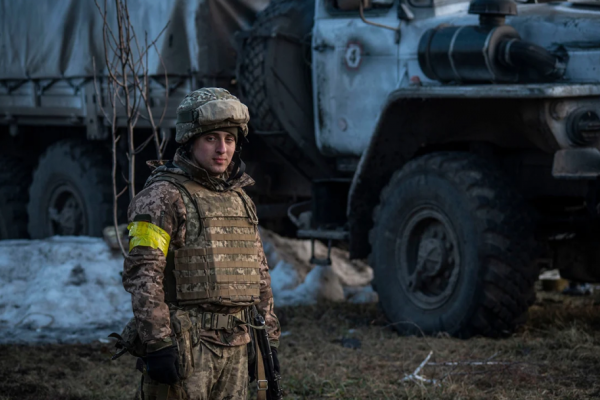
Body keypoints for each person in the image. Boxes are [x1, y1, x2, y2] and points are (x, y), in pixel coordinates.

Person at [122, 87, 281, 400]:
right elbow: (143, 274)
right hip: (186, 346)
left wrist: (269, 341)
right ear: (190, 141)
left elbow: (259, 275)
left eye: (230, 139)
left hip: (237, 344)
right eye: (211, 138)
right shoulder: (161, 197)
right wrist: (158, 343)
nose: (222, 149)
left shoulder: (239, 199)